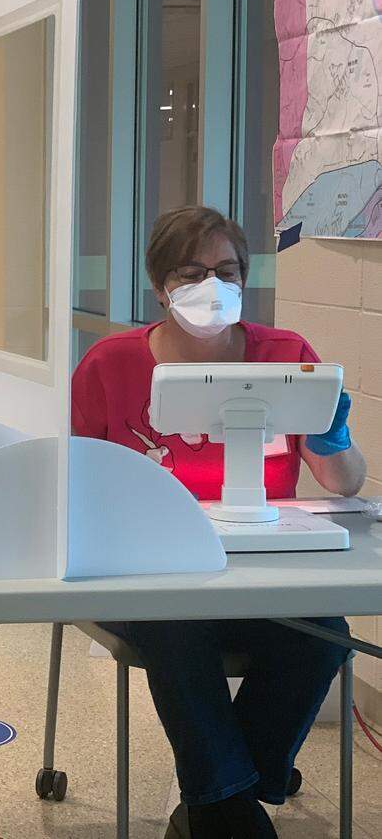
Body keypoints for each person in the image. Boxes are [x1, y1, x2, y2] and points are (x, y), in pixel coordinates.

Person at [71, 206, 366, 839]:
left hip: (262, 575)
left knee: (323, 631)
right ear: (160, 287)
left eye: (226, 271)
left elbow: (343, 484)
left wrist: (334, 439)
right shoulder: (109, 365)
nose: (212, 285)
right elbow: (80, 485)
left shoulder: (286, 356)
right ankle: (233, 810)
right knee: (176, 627)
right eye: (191, 272)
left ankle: (216, 806)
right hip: (155, 580)